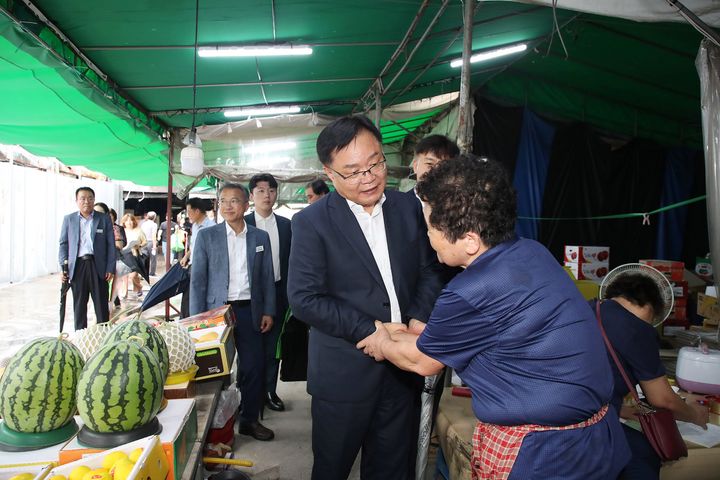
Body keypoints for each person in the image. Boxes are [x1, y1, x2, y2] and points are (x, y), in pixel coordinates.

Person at [358, 155, 631, 479]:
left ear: (470, 240)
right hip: (596, 434)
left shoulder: (471, 289)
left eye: (430, 226)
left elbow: (423, 361)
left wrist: (381, 341)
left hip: (547, 452)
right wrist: (399, 332)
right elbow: (469, 334)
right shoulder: (531, 251)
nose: (427, 236)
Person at [288, 115, 444, 480]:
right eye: (353, 171)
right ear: (330, 173)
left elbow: (432, 269)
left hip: (403, 367)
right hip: (344, 373)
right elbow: (304, 297)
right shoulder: (312, 223)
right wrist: (370, 331)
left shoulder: (410, 208)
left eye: (375, 163)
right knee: (332, 467)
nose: (369, 177)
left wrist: (419, 319)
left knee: (392, 467)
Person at [594, 271, 709, 479]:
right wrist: (695, 415)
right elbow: (664, 401)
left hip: (560, 422)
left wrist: (619, 408)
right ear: (650, 305)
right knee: (643, 454)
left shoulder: (588, 309)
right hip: (594, 430)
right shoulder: (637, 329)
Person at [190, 183, 276, 441]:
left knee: (253, 367)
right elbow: (198, 280)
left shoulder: (260, 238)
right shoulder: (207, 236)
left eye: (234, 201)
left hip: (250, 311)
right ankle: (213, 427)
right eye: (223, 201)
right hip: (217, 313)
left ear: (245, 205)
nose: (228, 206)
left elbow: (266, 277)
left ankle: (249, 420)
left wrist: (268, 311)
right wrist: (197, 320)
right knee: (214, 370)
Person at [246, 173, 292, 412]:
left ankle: (269, 391)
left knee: (274, 347)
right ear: (252, 195)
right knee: (250, 348)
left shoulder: (286, 226)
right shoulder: (243, 223)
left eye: (271, 190)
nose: (267, 195)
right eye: (261, 190)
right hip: (249, 294)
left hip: (278, 291)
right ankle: (249, 395)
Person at [59, 187, 115, 330]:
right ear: (77, 201)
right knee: (79, 307)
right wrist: (63, 267)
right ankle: (80, 338)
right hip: (77, 267)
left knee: (101, 306)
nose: (86, 201)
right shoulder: (69, 219)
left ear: (94, 200)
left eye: (90, 198)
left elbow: (111, 245)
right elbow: (63, 244)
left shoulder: (103, 219)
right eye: (82, 198)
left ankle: (104, 338)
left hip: (98, 267)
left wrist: (110, 268)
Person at [179, 198, 215, 317]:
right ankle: (186, 319)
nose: (188, 215)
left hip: (205, 268)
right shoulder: (194, 226)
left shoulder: (211, 227)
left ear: (197, 211)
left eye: (189, 211)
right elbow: (194, 246)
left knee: (197, 296)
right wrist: (186, 257)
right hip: (192, 266)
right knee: (188, 296)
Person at [120, 213, 147, 300]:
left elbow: (145, 242)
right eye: (127, 221)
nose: (129, 222)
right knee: (124, 276)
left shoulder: (139, 230)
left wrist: (138, 245)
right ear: (124, 222)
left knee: (133, 275)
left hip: (135, 254)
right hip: (124, 255)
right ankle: (124, 293)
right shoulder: (121, 231)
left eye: (131, 220)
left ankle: (138, 287)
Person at [140, 211, 158, 276]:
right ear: (154, 217)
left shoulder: (143, 224)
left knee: (144, 258)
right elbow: (153, 235)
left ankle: (143, 272)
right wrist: (155, 245)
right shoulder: (154, 225)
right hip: (150, 242)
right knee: (153, 258)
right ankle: (152, 273)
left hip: (143, 242)